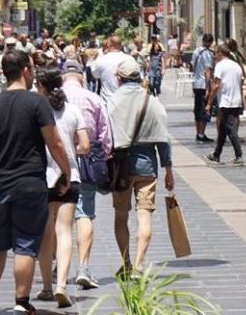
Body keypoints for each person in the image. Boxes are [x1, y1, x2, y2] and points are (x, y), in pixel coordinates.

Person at [0, 50, 72, 315]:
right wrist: (66, 172)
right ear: (26, 71)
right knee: (25, 244)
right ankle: (20, 303)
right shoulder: (37, 103)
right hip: (30, 183)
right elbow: (53, 142)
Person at [108, 59, 174, 276]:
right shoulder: (152, 102)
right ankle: (139, 264)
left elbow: (104, 135)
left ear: (118, 79)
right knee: (144, 215)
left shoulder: (111, 101)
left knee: (121, 216)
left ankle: (126, 262)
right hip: (147, 166)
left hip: (120, 168)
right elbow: (164, 139)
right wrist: (168, 169)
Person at [34, 68, 89, 308]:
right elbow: (85, 145)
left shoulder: (35, 111)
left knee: (45, 235)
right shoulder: (73, 111)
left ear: (41, 86)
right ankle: (62, 285)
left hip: (42, 177)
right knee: (64, 231)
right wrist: (68, 154)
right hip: (70, 176)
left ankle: (46, 287)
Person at [60, 59, 112, 289]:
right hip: (87, 160)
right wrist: (105, 158)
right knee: (84, 212)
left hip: (57, 160)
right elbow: (105, 136)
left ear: (63, 78)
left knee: (57, 216)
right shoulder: (94, 98)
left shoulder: (51, 98)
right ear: (82, 77)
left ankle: (57, 267)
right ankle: (83, 267)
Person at [204, 45, 244, 165]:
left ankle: (239, 155)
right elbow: (241, 83)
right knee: (222, 129)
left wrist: (209, 103)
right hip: (236, 101)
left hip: (226, 102)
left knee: (231, 130)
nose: (214, 56)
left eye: (215, 53)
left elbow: (216, 85)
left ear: (221, 53)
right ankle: (216, 154)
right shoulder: (237, 65)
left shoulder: (220, 66)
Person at [91, 36, 130, 103]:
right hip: (125, 101)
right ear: (121, 45)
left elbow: (95, 75)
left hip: (107, 100)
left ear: (108, 45)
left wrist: (93, 62)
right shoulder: (129, 59)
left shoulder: (101, 60)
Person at [191, 34, 215, 143]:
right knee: (203, 110)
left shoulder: (196, 51)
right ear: (211, 42)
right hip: (203, 84)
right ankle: (201, 134)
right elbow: (207, 71)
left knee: (197, 109)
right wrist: (207, 88)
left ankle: (198, 133)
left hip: (196, 83)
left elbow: (192, 65)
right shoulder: (207, 54)